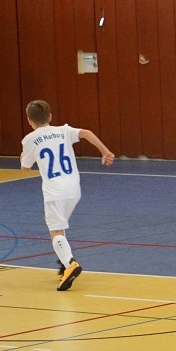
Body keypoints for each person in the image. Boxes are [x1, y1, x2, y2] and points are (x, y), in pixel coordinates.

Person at [20, 99, 115, 291]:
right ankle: (64, 262)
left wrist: (25, 157)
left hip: (55, 192)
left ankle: (70, 263)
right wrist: (105, 151)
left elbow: (25, 168)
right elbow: (86, 133)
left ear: (29, 120)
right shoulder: (63, 131)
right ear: (50, 117)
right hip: (74, 189)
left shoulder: (30, 139)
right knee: (56, 223)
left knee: (55, 231)